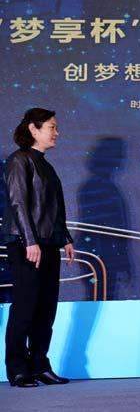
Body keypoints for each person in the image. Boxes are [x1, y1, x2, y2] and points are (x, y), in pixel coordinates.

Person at [2, 108, 75, 387]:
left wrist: (64, 237)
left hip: (47, 243)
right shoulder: (19, 160)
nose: (57, 132)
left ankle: (39, 365)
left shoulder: (46, 165)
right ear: (33, 129)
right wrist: (29, 240)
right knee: (25, 307)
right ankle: (18, 369)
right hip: (26, 245)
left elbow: (53, 207)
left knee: (46, 309)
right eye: (51, 127)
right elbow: (18, 202)